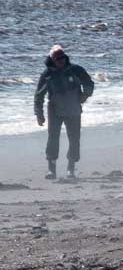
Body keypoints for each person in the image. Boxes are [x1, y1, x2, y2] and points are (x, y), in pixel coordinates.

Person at [34, 45, 94, 180]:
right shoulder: (47, 74)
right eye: (57, 58)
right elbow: (38, 95)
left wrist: (85, 95)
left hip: (73, 107)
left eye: (62, 57)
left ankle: (70, 169)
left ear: (65, 57)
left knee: (74, 139)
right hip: (54, 109)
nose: (60, 60)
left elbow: (89, 83)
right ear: (52, 59)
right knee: (52, 138)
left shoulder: (76, 70)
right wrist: (39, 114)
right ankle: (51, 169)